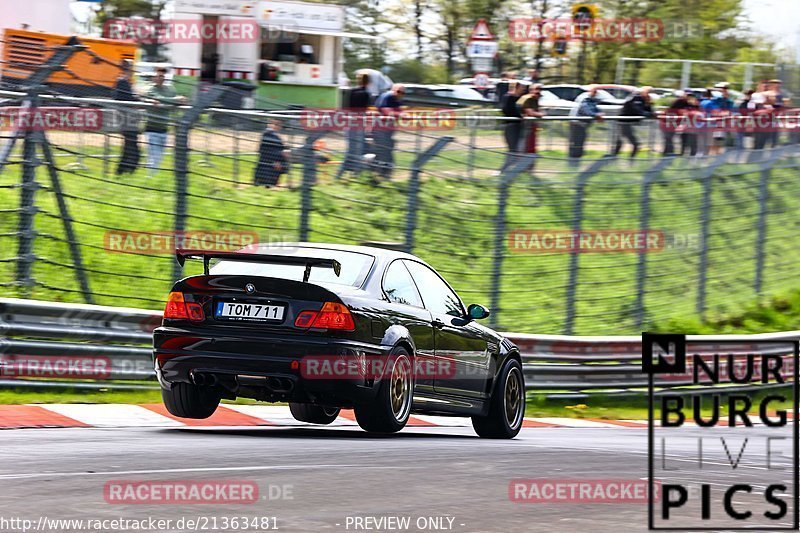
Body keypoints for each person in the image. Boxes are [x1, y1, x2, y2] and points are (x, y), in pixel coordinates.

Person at [144, 67, 184, 178]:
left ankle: (152, 177)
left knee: (159, 156)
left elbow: (174, 103)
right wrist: (175, 99)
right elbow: (158, 99)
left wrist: (180, 100)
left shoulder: (170, 90)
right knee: (154, 156)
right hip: (152, 128)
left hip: (164, 129)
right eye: (158, 76)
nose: (161, 78)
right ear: (153, 78)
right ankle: (150, 178)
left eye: (163, 76)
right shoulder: (150, 90)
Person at [336, 73, 370, 179]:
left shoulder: (351, 91)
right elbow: (364, 110)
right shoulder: (366, 94)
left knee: (351, 149)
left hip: (349, 121)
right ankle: (351, 173)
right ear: (368, 82)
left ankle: (349, 173)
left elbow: (345, 107)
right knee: (357, 149)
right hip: (359, 123)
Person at [373, 84, 404, 179]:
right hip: (380, 129)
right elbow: (386, 111)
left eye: (403, 93)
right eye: (399, 91)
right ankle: (383, 174)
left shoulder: (395, 99)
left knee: (386, 151)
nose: (401, 94)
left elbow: (399, 111)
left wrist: (401, 114)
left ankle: (382, 173)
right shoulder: (388, 97)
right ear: (393, 90)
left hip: (387, 130)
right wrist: (400, 114)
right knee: (385, 152)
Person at [114, 60, 140, 175]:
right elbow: (126, 99)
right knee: (132, 147)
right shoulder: (122, 82)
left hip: (129, 119)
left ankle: (123, 170)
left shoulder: (127, 82)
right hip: (126, 119)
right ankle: (126, 169)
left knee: (129, 146)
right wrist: (139, 99)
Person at [613, 86, 654, 158]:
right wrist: (650, 113)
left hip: (629, 123)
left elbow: (648, 111)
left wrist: (648, 104)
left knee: (623, 142)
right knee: (627, 142)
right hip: (624, 122)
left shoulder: (643, 99)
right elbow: (639, 111)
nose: (649, 95)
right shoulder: (636, 98)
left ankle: (616, 158)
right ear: (644, 92)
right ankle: (614, 158)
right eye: (648, 93)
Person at [568, 85, 604, 160]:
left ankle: (577, 160)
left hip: (581, 125)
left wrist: (599, 113)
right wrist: (596, 115)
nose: (596, 93)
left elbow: (595, 108)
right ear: (590, 91)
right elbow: (586, 110)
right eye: (594, 91)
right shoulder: (585, 98)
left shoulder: (592, 99)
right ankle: (573, 161)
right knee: (576, 143)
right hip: (576, 123)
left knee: (580, 142)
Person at [254, 120, 288, 187]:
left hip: (269, 161)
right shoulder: (269, 134)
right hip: (270, 162)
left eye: (279, 125)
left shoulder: (271, 134)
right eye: (277, 124)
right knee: (268, 181)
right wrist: (276, 161)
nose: (279, 127)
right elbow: (269, 150)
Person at [516, 83, 545, 154]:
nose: (539, 92)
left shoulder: (534, 99)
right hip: (525, 126)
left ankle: (529, 161)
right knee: (525, 146)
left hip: (531, 126)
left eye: (540, 89)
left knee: (531, 146)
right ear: (531, 90)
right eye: (537, 89)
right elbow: (530, 112)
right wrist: (541, 114)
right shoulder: (527, 98)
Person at [661, 90, 689, 156]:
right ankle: (669, 153)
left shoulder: (673, 108)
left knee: (669, 139)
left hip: (670, 125)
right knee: (669, 139)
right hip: (670, 125)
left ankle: (668, 153)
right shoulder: (680, 107)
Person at [501, 81, 526, 153]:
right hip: (511, 125)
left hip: (520, 125)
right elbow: (506, 110)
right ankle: (510, 163)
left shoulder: (520, 98)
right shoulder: (508, 97)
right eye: (522, 87)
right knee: (513, 148)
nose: (523, 89)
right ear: (517, 87)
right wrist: (519, 115)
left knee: (520, 147)